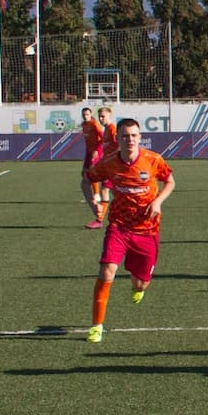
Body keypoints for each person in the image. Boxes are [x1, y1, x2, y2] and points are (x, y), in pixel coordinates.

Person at [83, 118, 175, 344]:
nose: (130, 140)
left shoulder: (153, 160)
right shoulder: (109, 163)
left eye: (134, 135)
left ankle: (139, 286)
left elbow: (170, 181)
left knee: (140, 283)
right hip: (119, 227)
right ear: (119, 139)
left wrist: (158, 202)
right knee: (106, 272)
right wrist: (93, 203)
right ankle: (96, 326)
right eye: (125, 136)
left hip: (147, 229)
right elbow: (87, 180)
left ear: (139, 137)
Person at [79, 106, 106, 227]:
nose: (86, 116)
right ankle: (93, 196)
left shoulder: (95, 124)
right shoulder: (84, 125)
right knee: (84, 173)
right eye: (84, 114)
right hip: (88, 151)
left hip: (96, 152)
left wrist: (97, 150)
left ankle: (96, 196)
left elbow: (102, 138)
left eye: (87, 114)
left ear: (90, 115)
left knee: (91, 174)